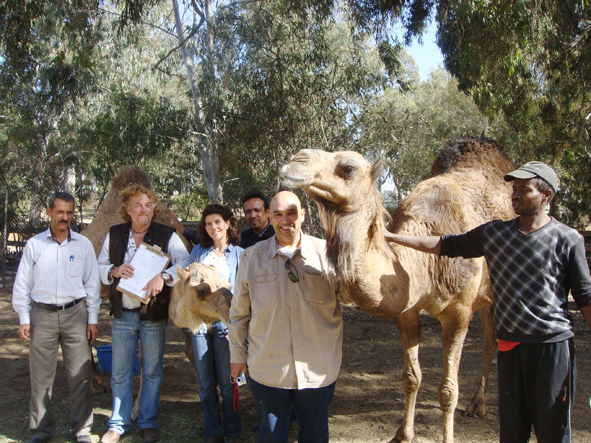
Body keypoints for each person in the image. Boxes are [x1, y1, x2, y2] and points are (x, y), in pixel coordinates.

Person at [384, 161, 591, 443]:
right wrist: (393, 237)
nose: (515, 194)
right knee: (512, 432)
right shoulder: (495, 233)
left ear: (546, 195)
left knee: (553, 431)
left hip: (552, 350)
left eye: (524, 189)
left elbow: (585, 296)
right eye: (514, 189)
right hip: (509, 348)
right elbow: (446, 244)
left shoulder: (568, 240)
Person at [229, 191, 342, 443]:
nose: (285, 220)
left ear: (302, 215)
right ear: (269, 217)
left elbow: (349, 295)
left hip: (318, 371)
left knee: (314, 436)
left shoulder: (328, 255)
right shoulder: (251, 258)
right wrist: (236, 357)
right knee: (271, 436)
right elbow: (238, 314)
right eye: (278, 214)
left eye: (291, 212)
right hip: (268, 371)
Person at [97, 185, 190, 443]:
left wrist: (164, 276)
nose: (143, 210)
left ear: (154, 209)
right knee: (121, 370)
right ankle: (118, 423)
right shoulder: (115, 234)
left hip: (153, 315)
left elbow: (184, 261)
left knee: (152, 370)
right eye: (138, 205)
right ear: (127, 209)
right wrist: (114, 272)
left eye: (148, 205)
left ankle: (148, 421)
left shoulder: (167, 235)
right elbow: (100, 265)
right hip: (123, 314)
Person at [12, 192, 101, 443]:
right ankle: (40, 432)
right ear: (49, 212)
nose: (65, 217)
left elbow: (92, 284)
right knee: (40, 379)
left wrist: (92, 318)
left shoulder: (83, 244)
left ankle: (83, 430)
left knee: (80, 376)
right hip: (41, 315)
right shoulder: (35, 244)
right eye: (60, 212)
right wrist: (24, 318)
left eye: (69, 212)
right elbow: (22, 284)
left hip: (75, 314)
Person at [188, 204, 244, 443]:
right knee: (206, 383)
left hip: (227, 326)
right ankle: (212, 431)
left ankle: (232, 431)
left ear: (228, 223)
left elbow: (244, 292)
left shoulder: (240, 254)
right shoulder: (198, 252)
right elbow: (189, 286)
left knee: (228, 381)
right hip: (201, 325)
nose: (213, 227)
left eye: (218, 222)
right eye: (209, 224)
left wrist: (239, 329)